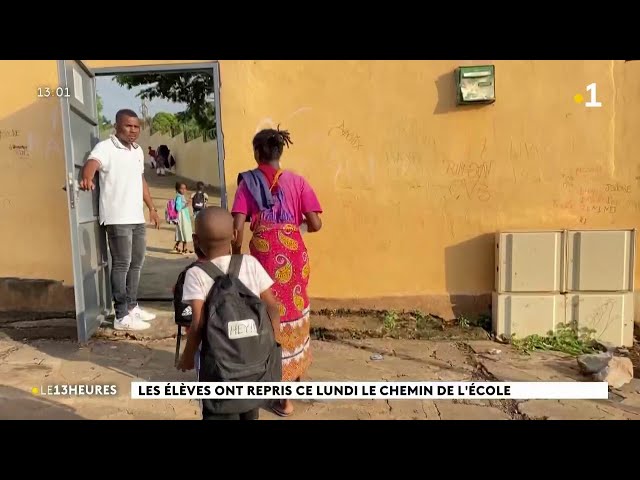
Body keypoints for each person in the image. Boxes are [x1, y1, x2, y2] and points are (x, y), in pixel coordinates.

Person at [231, 126, 323, 417]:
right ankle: (293, 383)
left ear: (257, 153)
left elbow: (236, 230)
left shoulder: (247, 183)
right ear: (279, 152)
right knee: (295, 310)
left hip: (265, 257)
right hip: (294, 253)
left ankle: (279, 395)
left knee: (269, 316)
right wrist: (292, 227)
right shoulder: (298, 182)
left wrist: (235, 261)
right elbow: (317, 224)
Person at [177, 207, 281, 420]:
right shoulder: (250, 263)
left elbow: (197, 324)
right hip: (253, 364)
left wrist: (187, 358)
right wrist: (273, 342)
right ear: (234, 234)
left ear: (196, 240)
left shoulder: (196, 275)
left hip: (219, 371)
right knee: (249, 411)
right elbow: (272, 306)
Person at [79, 109, 160, 331]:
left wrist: (151, 208)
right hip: (117, 217)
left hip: (136, 216)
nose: (133, 131)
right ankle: (121, 315)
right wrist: (87, 177)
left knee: (137, 263)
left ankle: (132, 307)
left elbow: (140, 180)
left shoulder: (138, 150)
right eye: (128, 126)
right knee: (122, 264)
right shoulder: (105, 147)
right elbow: (92, 164)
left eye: (136, 126)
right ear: (117, 126)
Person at [172, 182, 194, 255]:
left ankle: (177, 247)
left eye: (185, 188)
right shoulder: (179, 197)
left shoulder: (181, 196)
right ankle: (185, 249)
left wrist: (186, 203)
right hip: (182, 218)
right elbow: (178, 208)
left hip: (185, 217)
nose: (184, 190)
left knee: (183, 232)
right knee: (185, 232)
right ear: (178, 189)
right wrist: (186, 205)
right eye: (182, 188)